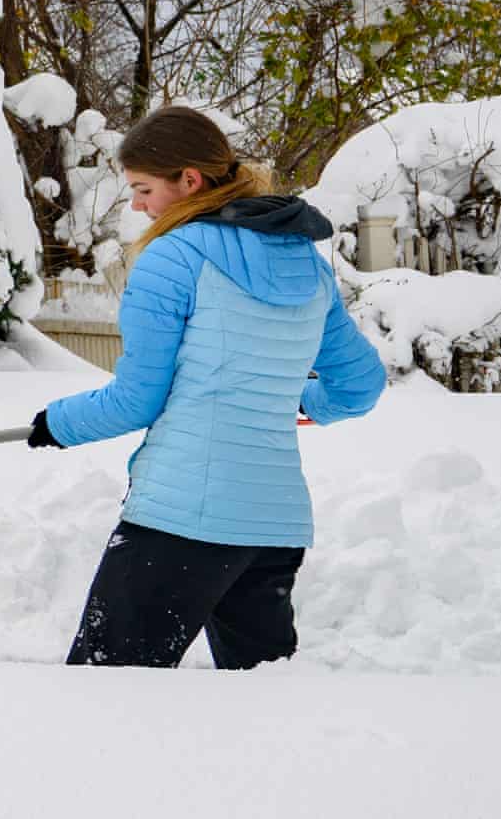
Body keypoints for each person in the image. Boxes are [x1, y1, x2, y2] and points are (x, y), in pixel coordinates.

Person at [30, 105, 385, 668]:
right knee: (258, 701)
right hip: (272, 526)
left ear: (189, 180)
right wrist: (291, 402)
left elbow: (136, 401)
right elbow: (359, 386)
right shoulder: (306, 262)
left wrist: (55, 423)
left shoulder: (172, 258)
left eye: (144, 189)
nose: (137, 205)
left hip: (181, 516)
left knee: (106, 688)